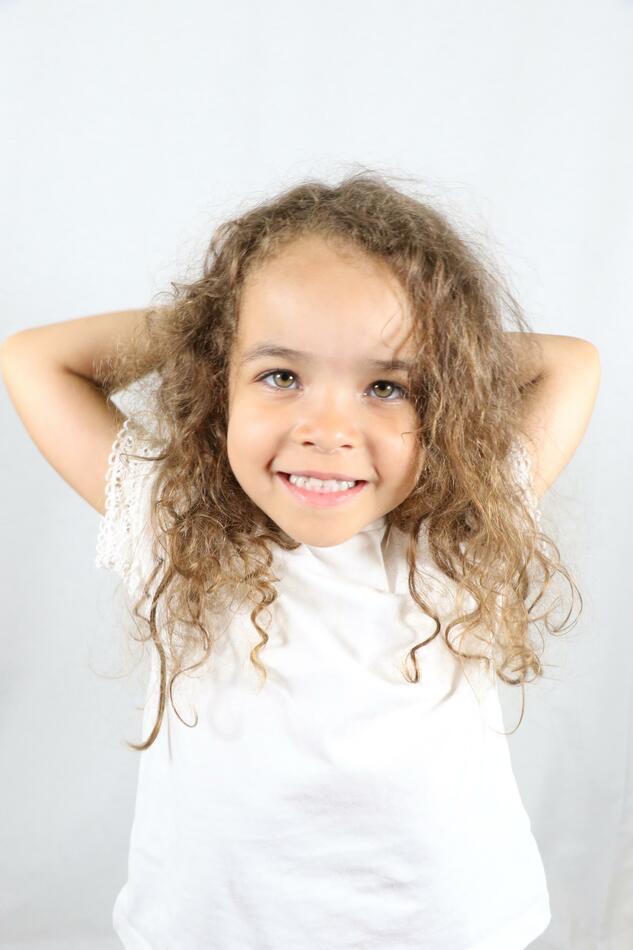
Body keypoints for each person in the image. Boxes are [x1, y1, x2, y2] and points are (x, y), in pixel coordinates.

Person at [1, 171, 601, 949]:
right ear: (217, 381)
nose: (327, 428)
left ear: (443, 402)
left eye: (386, 386)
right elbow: (34, 359)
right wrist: (214, 318)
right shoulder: (175, 522)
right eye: (280, 375)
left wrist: (442, 335)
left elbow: (570, 363)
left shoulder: (456, 529)